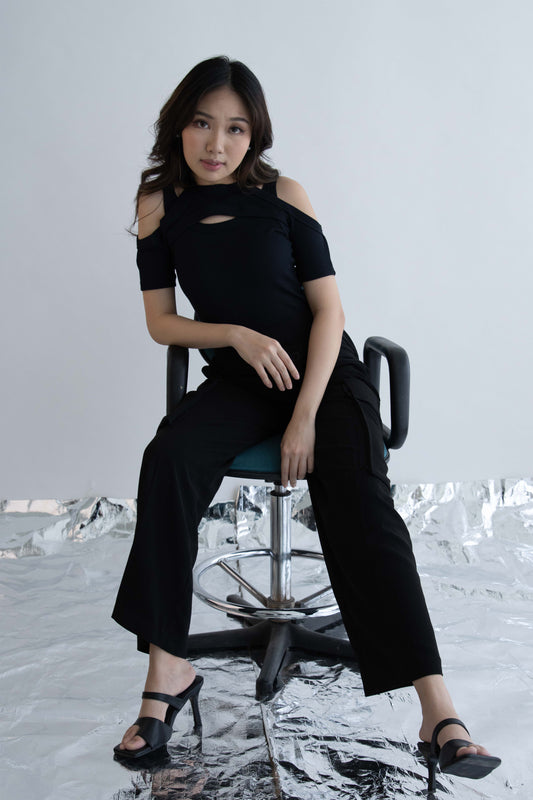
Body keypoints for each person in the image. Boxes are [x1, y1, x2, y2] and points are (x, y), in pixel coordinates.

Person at [111, 56, 500, 787]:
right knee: (168, 460)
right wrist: (234, 335)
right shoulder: (158, 203)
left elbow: (329, 311)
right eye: (202, 123)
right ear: (178, 126)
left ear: (254, 134)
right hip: (241, 378)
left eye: (235, 128)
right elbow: (162, 322)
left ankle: (437, 710)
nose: (217, 143)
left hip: (326, 378)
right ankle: (167, 672)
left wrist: (305, 418)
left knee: (363, 509)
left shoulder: (283, 194)